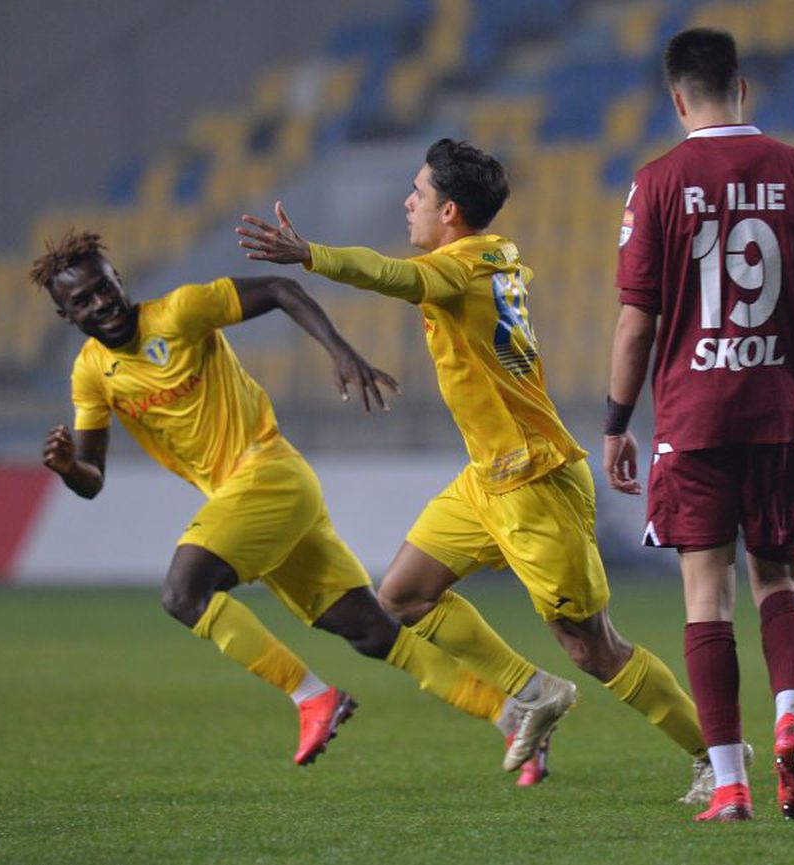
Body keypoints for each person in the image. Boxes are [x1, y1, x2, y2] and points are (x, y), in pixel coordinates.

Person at [235, 138, 710, 791]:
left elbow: (392, 275)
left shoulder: (456, 267)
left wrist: (311, 255)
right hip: (488, 476)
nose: (407, 202)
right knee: (403, 594)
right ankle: (532, 688)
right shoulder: (498, 253)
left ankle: (714, 757)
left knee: (594, 646)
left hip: (535, 482)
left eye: (418, 193)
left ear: (451, 210)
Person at [33, 230, 546, 778]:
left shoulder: (180, 312)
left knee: (184, 593)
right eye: (82, 300)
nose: (100, 304)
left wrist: (342, 352)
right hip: (256, 507)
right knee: (372, 633)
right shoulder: (91, 372)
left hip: (268, 475)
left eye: (103, 287)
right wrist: (68, 467)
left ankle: (312, 697)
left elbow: (280, 288)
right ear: (67, 315)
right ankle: (514, 717)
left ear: (118, 280)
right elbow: (92, 479)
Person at [602, 28, 794, 823]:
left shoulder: (655, 182)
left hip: (693, 420)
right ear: (741, 88)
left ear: (677, 98)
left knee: (705, 598)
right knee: (778, 581)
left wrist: (617, 421)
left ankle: (731, 783)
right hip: (782, 416)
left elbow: (635, 323)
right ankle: (792, 715)